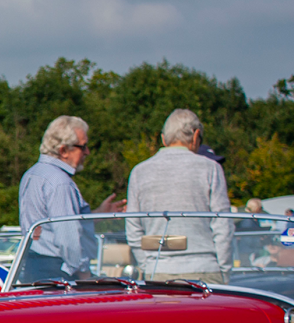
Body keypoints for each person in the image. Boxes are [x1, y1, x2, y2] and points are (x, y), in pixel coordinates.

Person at [126, 109, 231, 283]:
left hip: (157, 270)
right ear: (196, 136)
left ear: (163, 139)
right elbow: (223, 226)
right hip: (204, 268)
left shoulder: (139, 172)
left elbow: (133, 228)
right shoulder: (211, 168)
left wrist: (148, 265)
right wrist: (223, 271)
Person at [17, 116, 125, 281]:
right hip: (57, 272)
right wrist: (83, 272)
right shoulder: (60, 182)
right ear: (63, 151)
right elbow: (67, 236)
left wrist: (98, 213)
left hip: (33, 265)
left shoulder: (32, 173)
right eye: (83, 147)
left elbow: (49, 225)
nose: (87, 152)